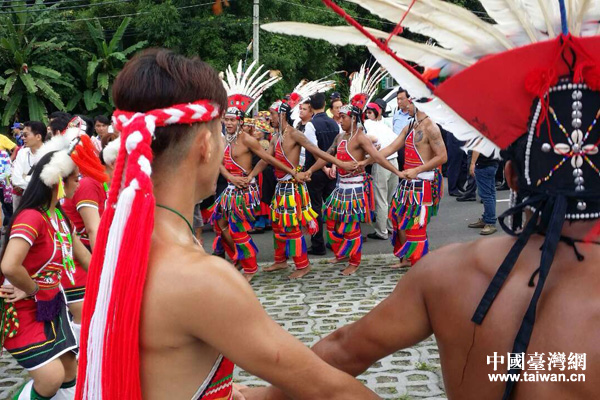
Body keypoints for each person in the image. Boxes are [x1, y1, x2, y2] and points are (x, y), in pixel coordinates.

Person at [75, 48, 379, 400]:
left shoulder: (120, 246)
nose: (224, 143)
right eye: (220, 133)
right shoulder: (201, 278)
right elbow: (330, 392)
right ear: (205, 145)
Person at [0, 150, 91, 400]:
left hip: (53, 306)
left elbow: (84, 258)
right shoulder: (32, 217)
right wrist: (32, 289)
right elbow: (9, 266)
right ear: (58, 181)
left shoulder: (59, 216)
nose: (79, 182)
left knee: (71, 371)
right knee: (51, 378)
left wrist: (116, 279)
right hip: (22, 309)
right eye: (75, 178)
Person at [251, 101, 356, 279]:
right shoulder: (276, 137)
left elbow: (318, 151)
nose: (270, 118)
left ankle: (303, 265)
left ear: (282, 115)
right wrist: (250, 176)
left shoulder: (294, 134)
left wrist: (338, 163)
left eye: (273, 114)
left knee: (292, 227)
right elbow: (265, 160)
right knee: (278, 226)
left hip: (292, 187)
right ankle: (280, 260)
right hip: (280, 187)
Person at [309, 105, 403, 275]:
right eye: (340, 117)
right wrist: (310, 170)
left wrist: (395, 171)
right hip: (341, 186)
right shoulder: (340, 137)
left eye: (343, 117)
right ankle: (343, 253)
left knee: (350, 227)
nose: (340, 120)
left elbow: (377, 156)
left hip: (355, 187)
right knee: (331, 221)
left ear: (353, 118)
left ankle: (354, 261)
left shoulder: (361, 138)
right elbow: (325, 156)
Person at [211, 107, 302, 282]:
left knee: (237, 230)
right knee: (219, 224)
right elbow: (217, 161)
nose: (229, 123)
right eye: (227, 120)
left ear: (241, 121)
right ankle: (239, 259)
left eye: (233, 120)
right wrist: (229, 176)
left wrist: (292, 171)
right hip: (230, 188)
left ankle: (250, 268)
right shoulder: (223, 140)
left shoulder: (248, 140)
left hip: (244, 190)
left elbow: (267, 159)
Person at [370, 101, 447, 267]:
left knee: (415, 225)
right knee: (399, 220)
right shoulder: (410, 125)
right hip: (407, 183)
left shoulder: (431, 127)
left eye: (406, 102)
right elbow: (391, 147)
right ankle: (406, 259)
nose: (403, 106)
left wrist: (417, 170)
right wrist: (368, 160)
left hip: (422, 184)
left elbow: (442, 156)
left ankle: (419, 265)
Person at [303, 93, 341, 255]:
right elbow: (338, 146)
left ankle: (318, 244)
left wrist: (324, 167)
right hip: (332, 170)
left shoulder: (311, 125)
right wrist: (332, 165)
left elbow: (314, 149)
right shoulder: (335, 123)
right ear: (325, 105)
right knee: (333, 207)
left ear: (311, 107)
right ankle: (335, 241)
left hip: (316, 171)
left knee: (316, 208)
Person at [363, 101, 399, 241]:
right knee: (390, 198)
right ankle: (389, 227)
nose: (367, 114)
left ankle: (381, 231)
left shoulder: (368, 125)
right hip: (393, 162)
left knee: (381, 198)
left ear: (377, 112)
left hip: (382, 163)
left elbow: (373, 139)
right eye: (367, 112)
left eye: (370, 112)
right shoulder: (385, 125)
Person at [11, 121, 46, 210]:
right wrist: (36, 182)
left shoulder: (49, 154)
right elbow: (16, 180)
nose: (22, 138)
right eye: (22, 134)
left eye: (26, 135)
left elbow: (48, 182)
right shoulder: (22, 153)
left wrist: (25, 177)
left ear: (38, 137)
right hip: (26, 200)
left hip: (45, 201)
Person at [467, 150, 499, 235]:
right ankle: (487, 218)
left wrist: (472, 163)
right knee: (490, 193)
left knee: (486, 195)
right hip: (492, 162)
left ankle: (490, 222)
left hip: (484, 164)